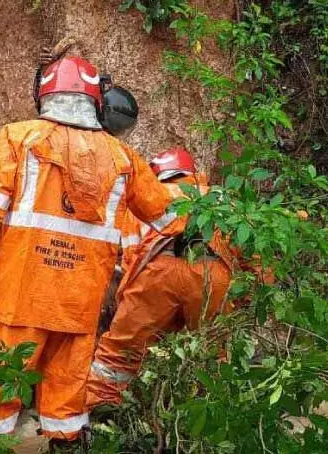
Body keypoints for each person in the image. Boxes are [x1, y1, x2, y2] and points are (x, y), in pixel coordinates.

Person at [0, 55, 183, 453]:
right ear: (95, 100)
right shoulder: (123, 158)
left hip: (20, 300)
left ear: (45, 94)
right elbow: (169, 219)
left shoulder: (17, 139)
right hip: (78, 307)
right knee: (65, 404)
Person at [85, 147, 241, 410]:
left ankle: (99, 416)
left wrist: (127, 305)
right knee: (215, 358)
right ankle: (210, 422)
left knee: (117, 358)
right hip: (213, 276)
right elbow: (253, 257)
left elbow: (129, 259)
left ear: (157, 174)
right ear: (194, 174)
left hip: (157, 273)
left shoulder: (146, 200)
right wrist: (244, 301)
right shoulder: (225, 200)